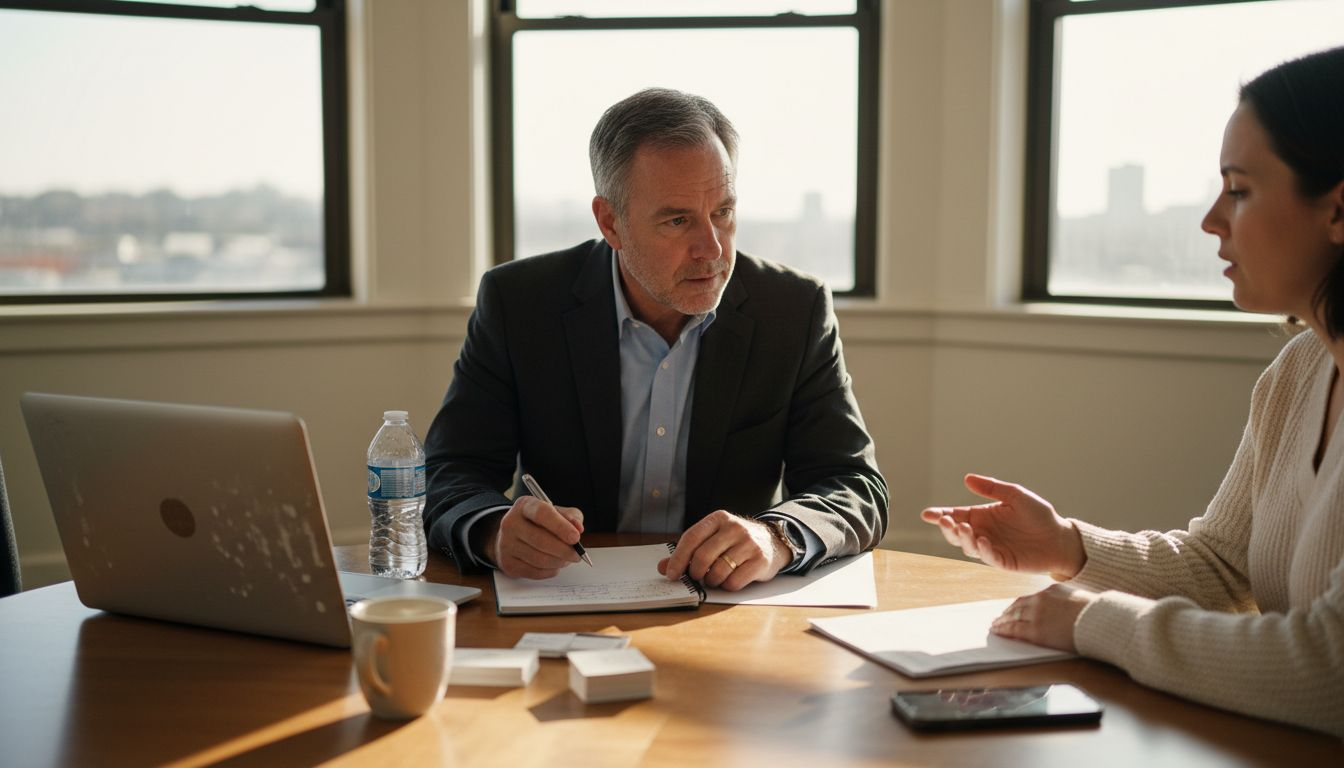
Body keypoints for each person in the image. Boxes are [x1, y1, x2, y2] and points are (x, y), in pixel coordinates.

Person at [921, 47, 1344, 738]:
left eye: (1239, 189)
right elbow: (1221, 568)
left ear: (1337, 210)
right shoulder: (1301, 371)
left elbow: (1332, 671)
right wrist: (1066, 547)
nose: (1212, 219)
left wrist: (1093, 619)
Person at [424, 88, 888, 591]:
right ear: (611, 223)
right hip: (566, 595)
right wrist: (492, 530)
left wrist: (777, 536)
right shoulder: (520, 303)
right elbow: (452, 470)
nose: (711, 248)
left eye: (723, 212)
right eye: (677, 220)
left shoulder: (792, 310)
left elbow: (854, 485)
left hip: (726, 607)